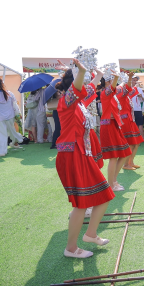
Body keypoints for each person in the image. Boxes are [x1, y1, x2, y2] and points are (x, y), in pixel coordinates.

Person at [55, 59, 114, 259]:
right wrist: (80, 71)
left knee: (104, 195)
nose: (87, 85)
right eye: (82, 81)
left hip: (81, 155)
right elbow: (79, 87)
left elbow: (89, 88)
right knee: (81, 204)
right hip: (72, 156)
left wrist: (99, 75)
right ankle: (71, 248)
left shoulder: (79, 103)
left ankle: (90, 234)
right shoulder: (67, 101)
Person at [99, 70, 132, 192]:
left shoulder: (113, 94)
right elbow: (114, 87)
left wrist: (128, 78)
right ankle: (111, 184)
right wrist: (117, 78)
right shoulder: (105, 93)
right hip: (108, 126)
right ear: (108, 81)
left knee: (124, 153)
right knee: (114, 156)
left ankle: (114, 181)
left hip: (115, 125)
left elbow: (125, 87)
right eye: (111, 80)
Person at [0, 79, 24, 156]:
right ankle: (16, 141)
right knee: (12, 130)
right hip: (10, 116)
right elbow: (14, 104)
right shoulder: (10, 93)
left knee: (0, 134)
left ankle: (2, 152)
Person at [116, 72, 144, 169]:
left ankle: (130, 162)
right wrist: (130, 79)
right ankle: (126, 164)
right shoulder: (121, 95)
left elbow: (132, 91)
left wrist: (135, 84)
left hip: (130, 120)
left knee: (136, 143)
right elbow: (130, 89)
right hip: (126, 121)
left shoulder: (126, 95)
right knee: (131, 143)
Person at [130, 76, 144, 141]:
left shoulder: (139, 89)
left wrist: (141, 96)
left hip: (138, 108)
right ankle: (134, 139)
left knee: (140, 123)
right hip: (130, 109)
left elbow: (143, 100)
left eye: (136, 80)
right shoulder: (128, 88)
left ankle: (142, 138)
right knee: (132, 124)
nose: (135, 81)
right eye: (134, 80)